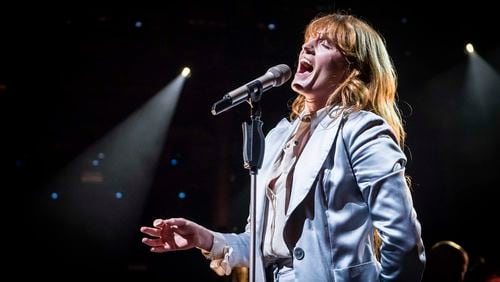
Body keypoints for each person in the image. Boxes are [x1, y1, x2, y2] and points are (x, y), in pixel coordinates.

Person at [140, 12, 426, 281]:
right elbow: (262, 245)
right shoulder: (280, 137)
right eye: (307, 43)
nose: (307, 49)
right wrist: (204, 238)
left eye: (324, 44)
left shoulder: (360, 129)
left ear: (352, 69)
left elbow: (403, 240)